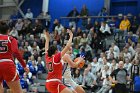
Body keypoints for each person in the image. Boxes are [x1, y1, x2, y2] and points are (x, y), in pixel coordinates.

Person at [0, 22, 29, 93]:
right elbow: (15, 52)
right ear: (8, 31)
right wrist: (24, 66)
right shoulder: (11, 39)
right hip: (8, 65)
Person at [45, 28, 73, 93]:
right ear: (55, 52)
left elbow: (46, 48)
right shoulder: (56, 57)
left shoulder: (47, 57)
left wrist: (47, 38)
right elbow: (67, 47)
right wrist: (71, 36)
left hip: (48, 83)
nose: (58, 51)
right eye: (57, 50)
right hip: (54, 83)